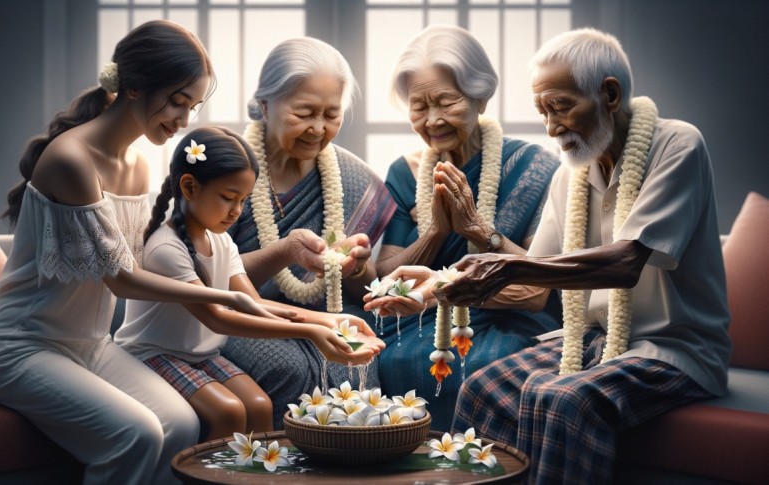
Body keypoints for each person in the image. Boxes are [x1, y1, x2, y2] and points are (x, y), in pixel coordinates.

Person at [0, 20, 286, 484]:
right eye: (177, 101)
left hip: (91, 344)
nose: (183, 120)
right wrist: (222, 297)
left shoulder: (138, 164)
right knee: (136, 433)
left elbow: (138, 262)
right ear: (133, 86)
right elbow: (120, 277)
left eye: (192, 106)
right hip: (20, 347)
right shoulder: (71, 160)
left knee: (180, 422)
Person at [430, 28, 731, 483]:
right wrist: (439, 281)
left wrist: (508, 266)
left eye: (562, 107)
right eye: (543, 112)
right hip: (591, 342)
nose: (552, 128)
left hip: (673, 351)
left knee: (564, 400)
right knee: (482, 387)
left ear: (609, 94)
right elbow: (536, 279)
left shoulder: (678, 144)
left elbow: (627, 262)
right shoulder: (570, 175)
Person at [115, 127, 382, 440]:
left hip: (201, 354)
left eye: (243, 200)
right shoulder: (165, 248)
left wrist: (331, 320)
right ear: (189, 187)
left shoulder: (220, 241)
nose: (236, 211)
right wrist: (311, 331)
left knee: (258, 404)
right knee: (229, 411)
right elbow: (218, 316)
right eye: (228, 198)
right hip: (155, 353)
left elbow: (253, 304)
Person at [364, 24, 562, 430]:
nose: (432, 119)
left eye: (446, 102)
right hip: (424, 314)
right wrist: (435, 232)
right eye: (419, 106)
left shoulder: (533, 167)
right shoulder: (405, 173)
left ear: (480, 97)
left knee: (482, 363)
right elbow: (387, 274)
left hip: (509, 315)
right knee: (387, 354)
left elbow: (540, 284)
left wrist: (475, 228)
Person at [221, 37, 397, 428]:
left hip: (327, 313)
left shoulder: (350, 176)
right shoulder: (227, 170)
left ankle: (352, 463)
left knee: (358, 351)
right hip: (238, 316)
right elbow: (208, 279)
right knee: (286, 365)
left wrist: (353, 267)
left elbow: (362, 292)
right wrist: (285, 252)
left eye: (331, 114)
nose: (318, 129)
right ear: (266, 105)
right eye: (304, 113)